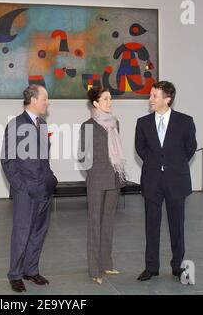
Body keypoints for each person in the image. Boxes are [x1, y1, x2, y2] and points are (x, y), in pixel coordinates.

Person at [135, 81, 197, 282]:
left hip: (176, 180)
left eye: (154, 96)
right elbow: (141, 149)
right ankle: (151, 267)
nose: (150, 100)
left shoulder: (185, 121)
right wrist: (156, 164)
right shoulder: (142, 122)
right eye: (150, 96)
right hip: (152, 180)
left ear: (167, 99)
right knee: (151, 225)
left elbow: (190, 148)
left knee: (177, 225)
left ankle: (177, 266)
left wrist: (173, 165)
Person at [1, 84, 58, 293]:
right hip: (25, 191)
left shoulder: (41, 125)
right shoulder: (16, 125)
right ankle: (15, 275)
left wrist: (51, 178)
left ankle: (30, 270)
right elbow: (7, 160)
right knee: (22, 232)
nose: (47, 102)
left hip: (44, 188)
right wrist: (21, 186)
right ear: (33, 100)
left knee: (38, 231)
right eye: (45, 98)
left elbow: (44, 158)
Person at [78, 87, 126, 284]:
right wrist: (96, 171)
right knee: (95, 223)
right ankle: (94, 270)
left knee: (108, 222)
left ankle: (106, 263)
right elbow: (82, 157)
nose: (109, 102)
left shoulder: (115, 124)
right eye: (105, 99)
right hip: (97, 180)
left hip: (114, 179)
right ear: (96, 103)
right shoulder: (88, 125)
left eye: (110, 98)